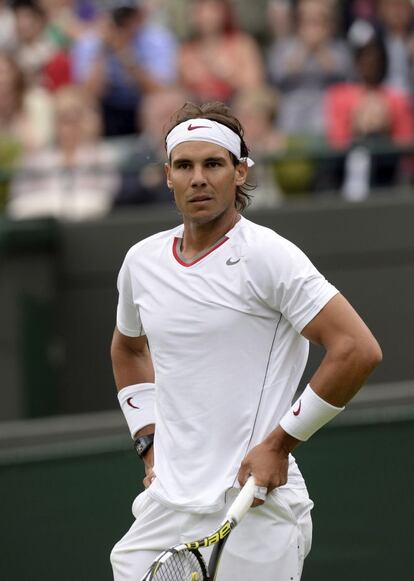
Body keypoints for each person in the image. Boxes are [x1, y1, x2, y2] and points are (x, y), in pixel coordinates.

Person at [110, 101, 382, 580]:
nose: (198, 178)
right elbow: (128, 348)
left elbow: (357, 348)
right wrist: (149, 444)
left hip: (253, 506)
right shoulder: (141, 262)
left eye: (213, 164)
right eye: (185, 165)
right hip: (165, 506)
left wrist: (279, 445)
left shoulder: (270, 257)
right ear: (168, 176)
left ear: (240, 173)